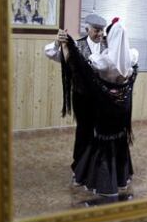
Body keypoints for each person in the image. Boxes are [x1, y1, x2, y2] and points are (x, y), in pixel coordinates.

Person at [71, 18, 139, 197]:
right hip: (122, 108)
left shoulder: (103, 61)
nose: (103, 36)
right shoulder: (132, 57)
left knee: (101, 140)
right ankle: (121, 175)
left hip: (105, 108)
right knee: (118, 139)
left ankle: (102, 178)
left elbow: (88, 67)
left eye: (106, 34)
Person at [44, 13, 108, 174]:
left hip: (102, 96)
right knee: (84, 129)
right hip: (82, 97)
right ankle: (79, 164)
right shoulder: (76, 46)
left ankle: (96, 163)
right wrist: (58, 43)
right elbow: (52, 54)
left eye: (102, 30)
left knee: (101, 130)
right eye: (96, 30)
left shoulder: (108, 46)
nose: (100, 34)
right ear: (87, 29)